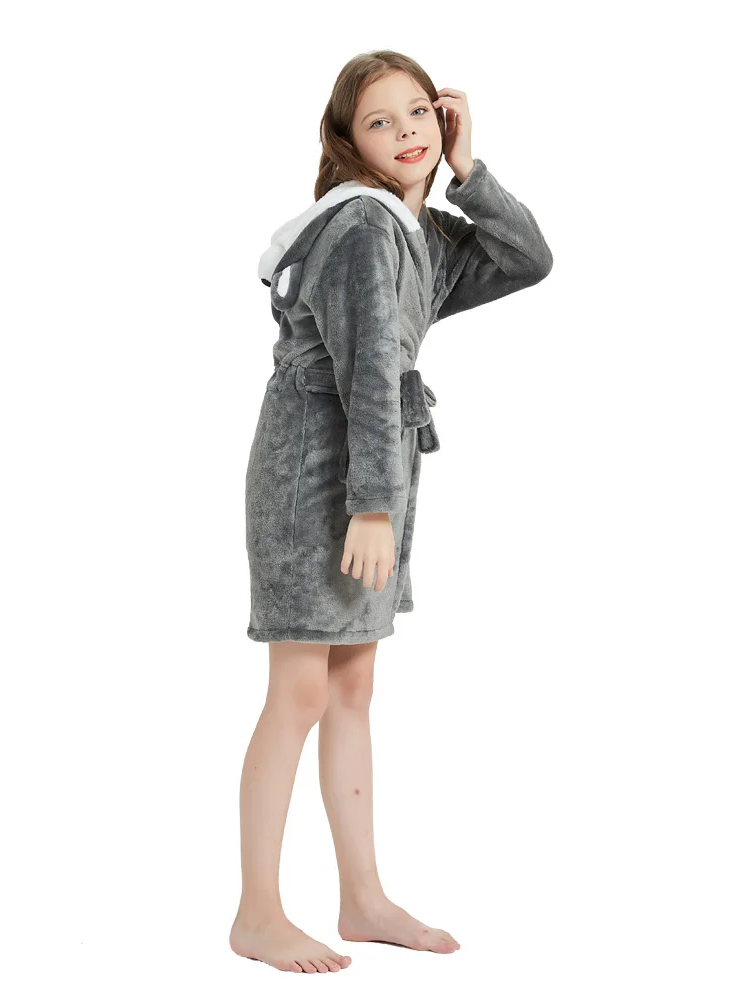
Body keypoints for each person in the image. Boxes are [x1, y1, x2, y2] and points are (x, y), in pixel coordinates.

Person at [233, 50, 554, 973]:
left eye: (420, 112)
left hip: (371, 472)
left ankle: (362, 897)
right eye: (381, 122)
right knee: (299, 690)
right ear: (349, 142)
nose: (407, 132)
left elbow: (527, 259)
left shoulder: (420, 230)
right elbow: (372, 370)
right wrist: (371, 506)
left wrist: (469, 170)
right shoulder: (364, 228)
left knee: (351, 689)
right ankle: (257, 912)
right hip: (317, 474)